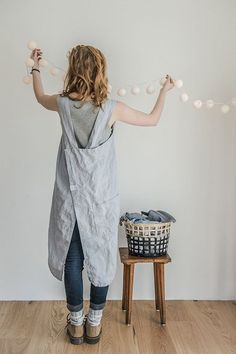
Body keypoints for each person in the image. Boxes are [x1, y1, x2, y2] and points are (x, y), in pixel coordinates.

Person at [30, 44, 174, 345]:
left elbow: (39, 97)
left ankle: (76, 322)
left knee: (73, 260)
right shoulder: (112, 108)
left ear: (73, 71)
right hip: (99, 200)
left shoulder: (63, 104)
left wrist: (35, 68)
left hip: (69, 198)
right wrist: (164, 91)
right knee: (102, 257)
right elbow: (152, 119)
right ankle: (94, 322)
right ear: (99, 71)